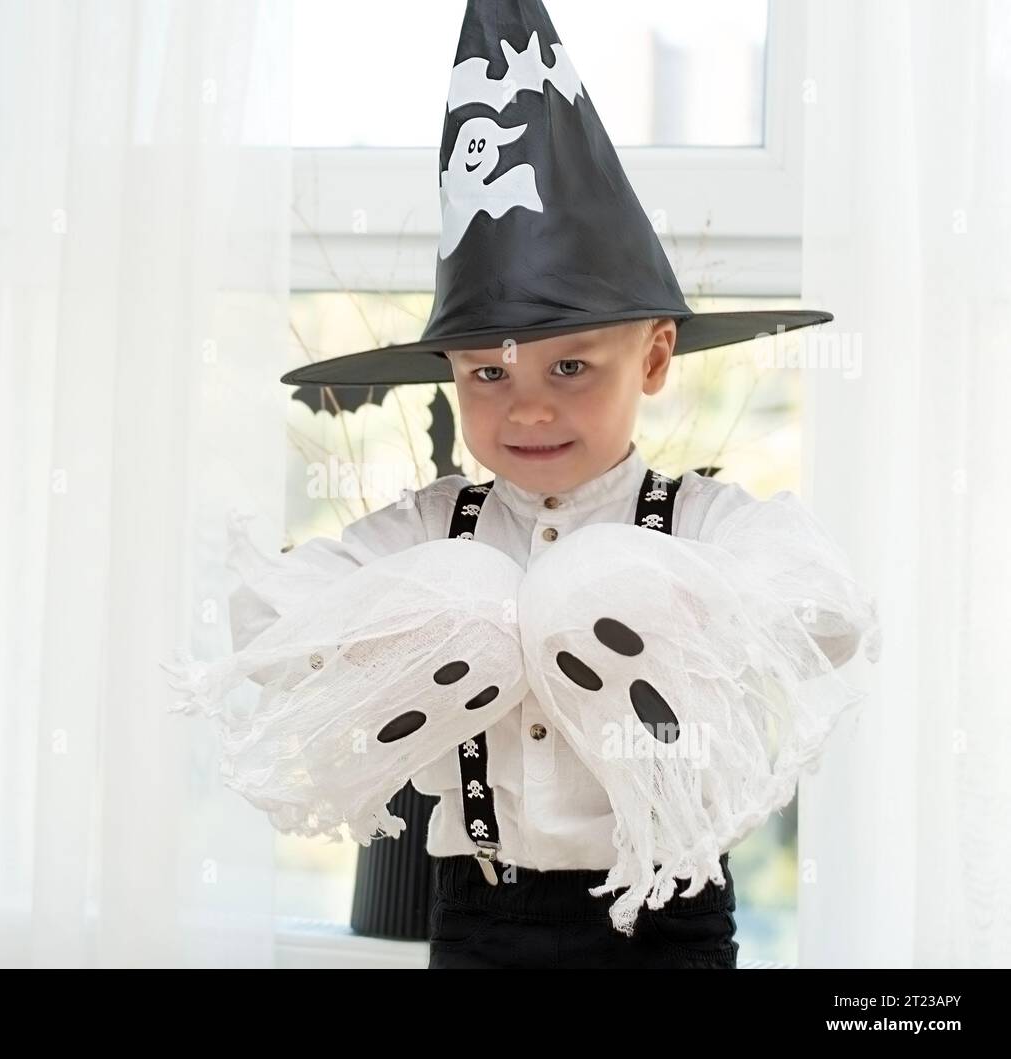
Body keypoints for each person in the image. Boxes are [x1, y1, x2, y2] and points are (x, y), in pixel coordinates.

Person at [163, 0, 882, 969]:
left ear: (654, 357)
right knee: (461, 592)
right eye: (487, 375)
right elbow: (276, 615)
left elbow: (824, 612)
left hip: (667, 918)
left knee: (601, 586)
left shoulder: (698, 518)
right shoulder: (435, 525)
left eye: (570, 368)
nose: (529, 409)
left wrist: (680, 601)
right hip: (480, 917)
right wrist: (417, 619)